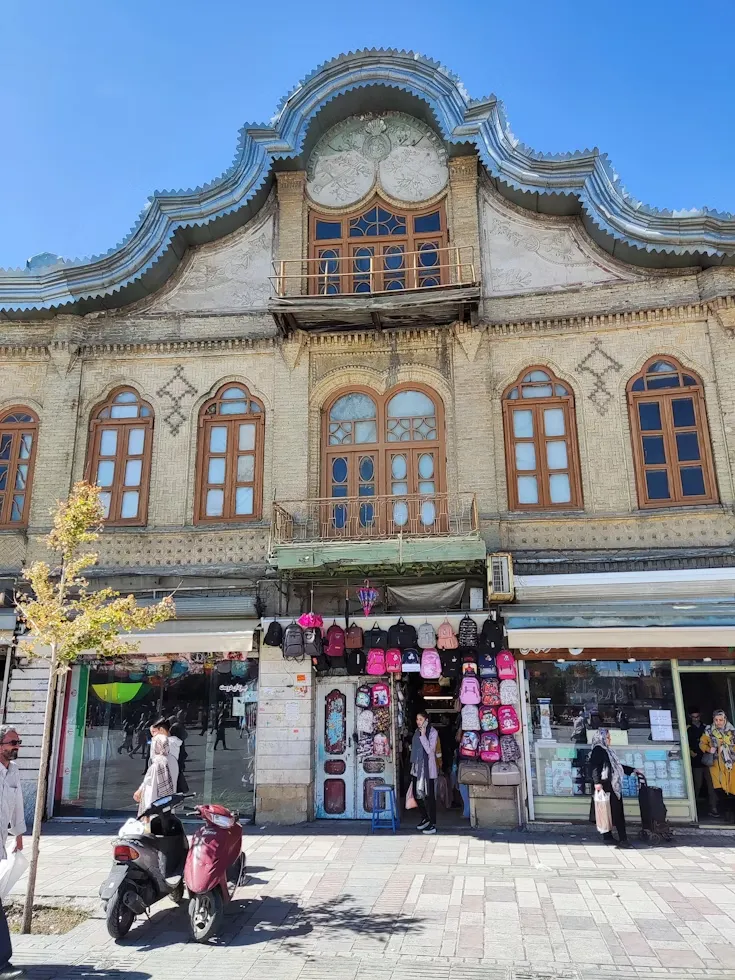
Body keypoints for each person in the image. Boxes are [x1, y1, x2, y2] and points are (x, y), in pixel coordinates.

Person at [0, 726, 26, 980]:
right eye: (12, 743)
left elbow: (17, 804)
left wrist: (18, 835)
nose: (16, 746)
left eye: (18, 742)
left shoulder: (13, 770)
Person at [589, 728, 640, 849]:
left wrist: (631, 770)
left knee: (609, 811)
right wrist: (597, 783)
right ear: (602, 738)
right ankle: (623, 839)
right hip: (607, 786)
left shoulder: (607, 750)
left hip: (611, 785)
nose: (609, 739)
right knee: (615, 812)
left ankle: (608, 836)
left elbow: (616, 766)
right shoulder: (598, 750)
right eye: (608, 737)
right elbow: (594, 767)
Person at [133, 718, 181, 817]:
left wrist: (141, 789)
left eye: (154, 732)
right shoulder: (172, 758)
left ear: (162, 730)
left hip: (155, 807)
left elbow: (151, 780)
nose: (152, 737)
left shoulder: (161, 760)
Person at [699, 709, 735, 821]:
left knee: (732, 789)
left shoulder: (732, 731)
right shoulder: (708, 730)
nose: (718, 722)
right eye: (716, 720)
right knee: (719, 789)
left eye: (721, 720)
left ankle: (732, 814)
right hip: (716, 764)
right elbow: (702, 743)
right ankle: (726, 813)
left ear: (725, 719)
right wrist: (709, 749)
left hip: (731, 764)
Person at [410, 711, 439, 835]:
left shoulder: (433, 733)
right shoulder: (417, 732)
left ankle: (432, 824)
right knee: (417, 794)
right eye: (417, 719)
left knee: (430, 797)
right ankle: (425, 818)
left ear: (426, 720)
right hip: (417, 769)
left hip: (428, 771)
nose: (418, 722)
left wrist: (423, 735)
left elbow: (430, 750)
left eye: (421, 719)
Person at [687, 707, 718, 817]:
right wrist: (690, 752)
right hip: (696, 760)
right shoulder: (687, 729)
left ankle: (713, 807)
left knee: (711, 784)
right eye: (693, 717)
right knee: (697, 784)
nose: (696, 719)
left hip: (707, 758)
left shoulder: (706, 728)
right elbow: (684, 743)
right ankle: (692, 810)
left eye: (697, 716)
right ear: (690, 717)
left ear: (700, 716)